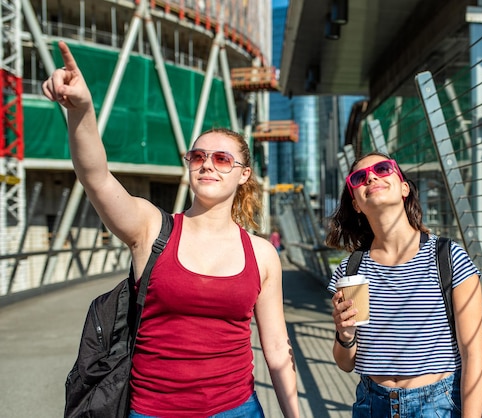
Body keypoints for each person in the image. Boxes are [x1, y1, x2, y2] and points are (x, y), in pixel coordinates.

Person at [42, 41, 299, 418]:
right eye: (198, 156)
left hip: (236, 410)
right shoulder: (151, 228)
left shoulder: (261, 253)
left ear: (244, 174)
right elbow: (95, 177)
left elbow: (276, 348)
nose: (207, 164)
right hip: (153, 410)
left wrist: (293, 414)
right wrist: (82, 109)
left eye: (222, 158)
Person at [326, 152, 482, 418]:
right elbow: (345, 364)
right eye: (359, 177)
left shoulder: (448, 257)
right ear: (355, 203)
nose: (372, 177)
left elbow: (473, 355)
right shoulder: (350, 270)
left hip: (437, 404)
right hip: (371, 402)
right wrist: (344, 334)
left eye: (382, 168)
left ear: (403, 188)